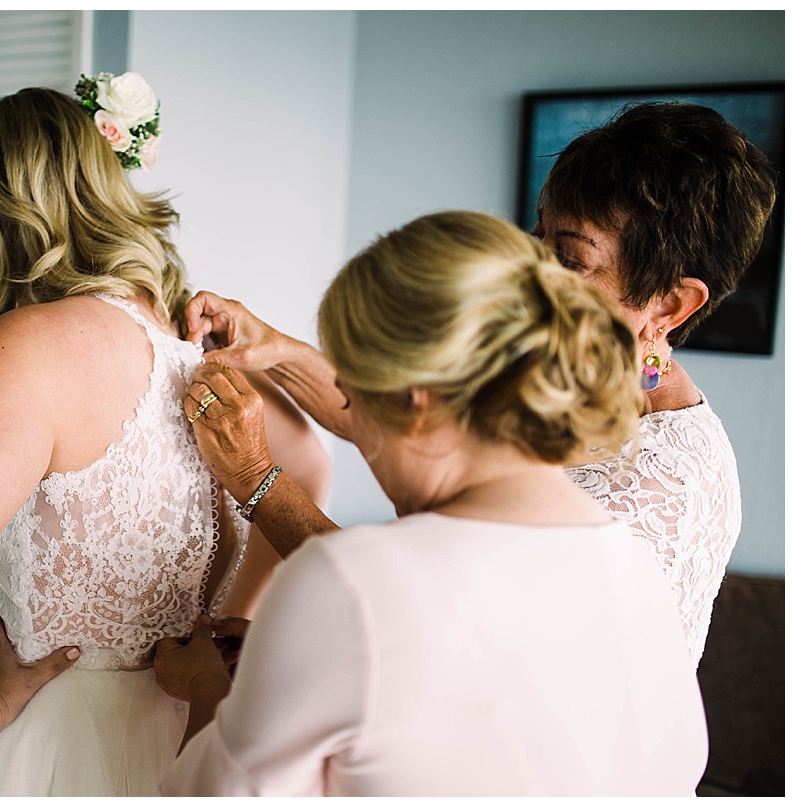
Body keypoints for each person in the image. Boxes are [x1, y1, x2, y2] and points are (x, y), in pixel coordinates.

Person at [183, 102, 776, 664]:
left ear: (670, 304)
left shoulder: (651, 490)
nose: (527, 273)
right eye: (535, 236)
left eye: (569, 259)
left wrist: (256, 479)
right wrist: (273, 350)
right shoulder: (564, 374)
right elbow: (404, 416)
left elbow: (420, 616)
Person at [0, 77, 325, 797]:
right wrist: (232, 622)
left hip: (55, 744)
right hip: (190, 724)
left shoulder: (25, 347)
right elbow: (305, 468)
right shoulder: (197, 338)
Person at [152, 211, 708, 796]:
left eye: (350, 392)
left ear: (414, 398)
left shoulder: (351, 581)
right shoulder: (635, 563)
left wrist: (209, 686)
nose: (349, 415)